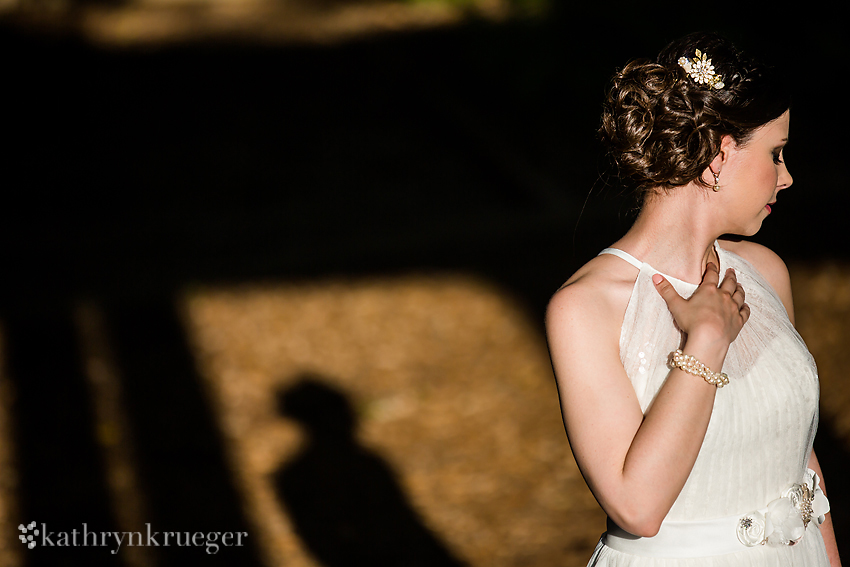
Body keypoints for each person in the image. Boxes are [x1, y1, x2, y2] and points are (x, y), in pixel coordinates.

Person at [545, 31, 841, 565]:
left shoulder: (765, 272)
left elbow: (801, 463)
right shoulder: (588, 307)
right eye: (776, 154)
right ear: (719, 155)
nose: (787, 176)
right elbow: (638, 506)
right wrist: (705, 343)